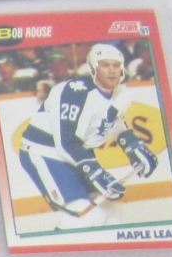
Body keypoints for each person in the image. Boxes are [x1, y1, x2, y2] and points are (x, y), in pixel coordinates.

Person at [16, 42, 158, 228]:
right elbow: (66, 142)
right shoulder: (75, 92)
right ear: (93, 68)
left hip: (74, 154)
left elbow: (114, 122)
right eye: (105, 65)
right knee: (85, 216)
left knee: (110, 213)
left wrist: (132, 145)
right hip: (45, 153)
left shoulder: (120, 94)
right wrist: (96, 172)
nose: (112, 70)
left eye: (116, 65)